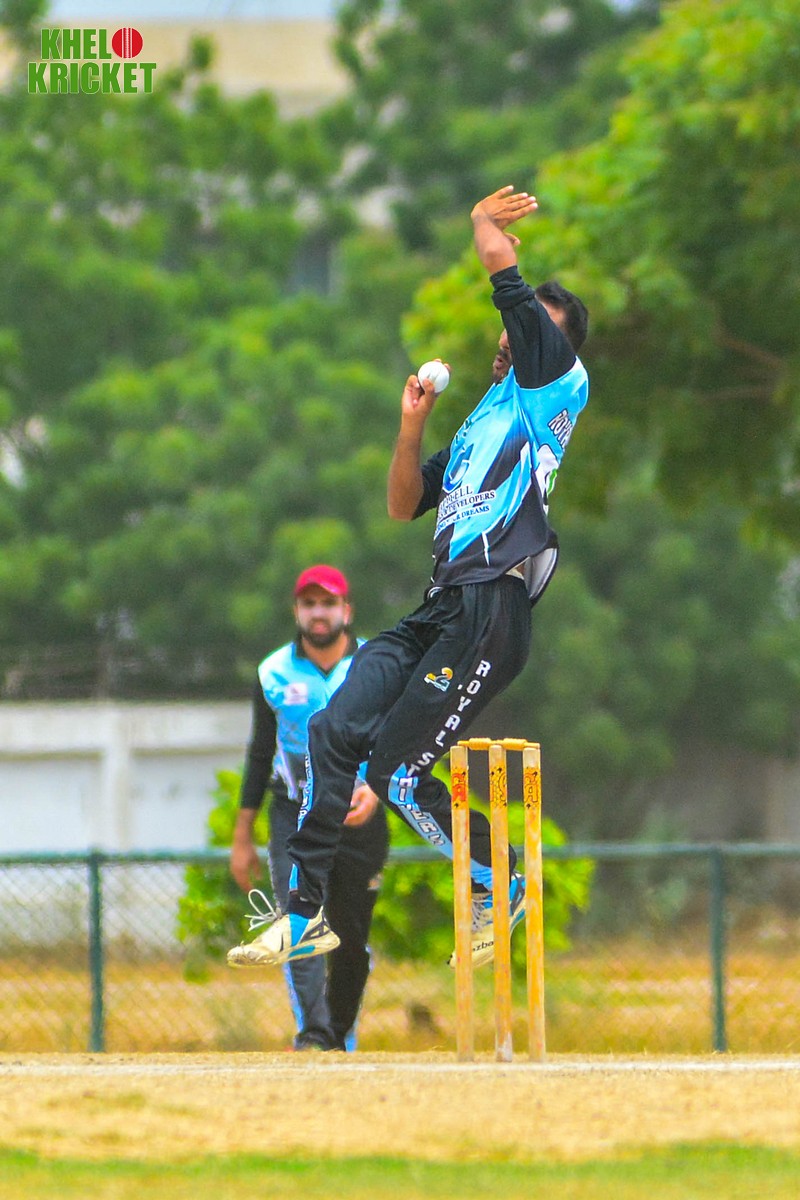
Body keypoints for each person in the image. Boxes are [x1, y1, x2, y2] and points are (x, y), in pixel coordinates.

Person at [227, 185, 589, 972]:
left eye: (531, 326)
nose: (512, 334)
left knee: (396, 774)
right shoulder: (482, 420)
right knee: (333, 729)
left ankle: (501, 878)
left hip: (493, 609)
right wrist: (412, 424)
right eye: (515, 327)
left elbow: (503, 276)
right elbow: (403, 504)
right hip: (442, 607)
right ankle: (303, 915)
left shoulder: (554, 389)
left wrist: (483, 224)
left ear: (555, 348)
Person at [227, 565, 389, 1052]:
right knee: (298, 922)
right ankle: (314, 1035)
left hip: (359, 816)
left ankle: (338, 1035)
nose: (319, 613)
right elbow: (260, 753)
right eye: (309, 604)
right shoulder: (273, 672)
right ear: (297, 611)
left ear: (347, 610)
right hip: (293, 814)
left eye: (329, 603)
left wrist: (375, 790)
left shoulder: (377, 665)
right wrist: (242, 837)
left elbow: (400, 738)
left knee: (350, 938)